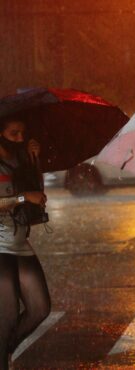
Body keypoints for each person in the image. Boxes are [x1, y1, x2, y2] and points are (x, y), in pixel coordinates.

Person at [0, 115, 50, 370]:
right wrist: (22, 198)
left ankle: (4, 350)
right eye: (13, 133)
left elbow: (37, 191)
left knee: (40, 308)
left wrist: (35, 159)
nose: (20, 138)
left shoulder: (20, 158)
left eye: (23, 133)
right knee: (6, 318)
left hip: (19, 242)